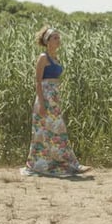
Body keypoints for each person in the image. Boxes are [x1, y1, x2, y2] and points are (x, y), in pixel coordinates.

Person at [21, 26, 91, 176]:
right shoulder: (43, 57)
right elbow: (38, 82)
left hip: (54, 98)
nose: (58, 40)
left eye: (59, 37)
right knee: (44, 133)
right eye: (55, 38)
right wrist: (41, 103)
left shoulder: (56, 58)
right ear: (47, 41)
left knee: (57, 132)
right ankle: (64, 165)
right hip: (45, 98)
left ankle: (67, 164)